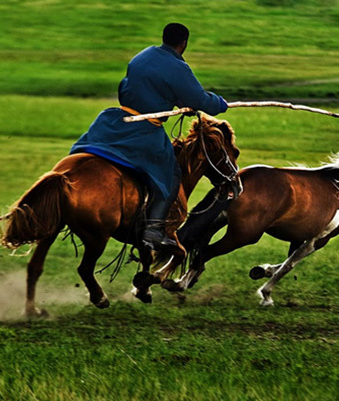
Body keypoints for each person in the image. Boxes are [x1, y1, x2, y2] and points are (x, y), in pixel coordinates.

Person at [70, 23, 228, 250]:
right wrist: (219, 104)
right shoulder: (178, 67)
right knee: (171, 174)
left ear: (164, 38)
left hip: (119, 120)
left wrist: (176, 101)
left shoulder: (141, 56)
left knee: (86, 149)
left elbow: (128, 86)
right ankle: (153, 229)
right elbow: (202, 101)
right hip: (145, 129)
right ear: (184, 43)